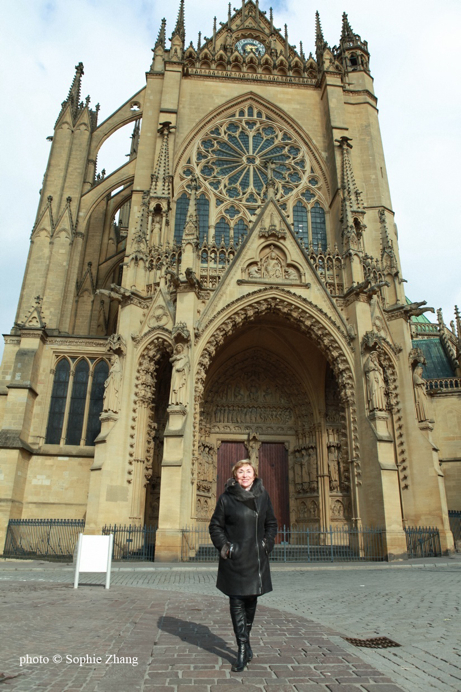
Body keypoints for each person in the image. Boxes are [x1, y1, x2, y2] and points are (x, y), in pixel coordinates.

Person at [209, 459, 278, 672]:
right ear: (235, 475)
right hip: (235, 559)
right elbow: (215, 526)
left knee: (251, 600)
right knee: (237, 600)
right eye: (241, 472)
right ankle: (241, 648)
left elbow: (271, 524)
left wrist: (266, 544)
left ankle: (246, 643)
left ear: (254, 475)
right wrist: (226, 548)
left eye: (248, 471)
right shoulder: (226, 498)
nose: (245, 475)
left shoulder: (263, 495)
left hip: (255, 558)